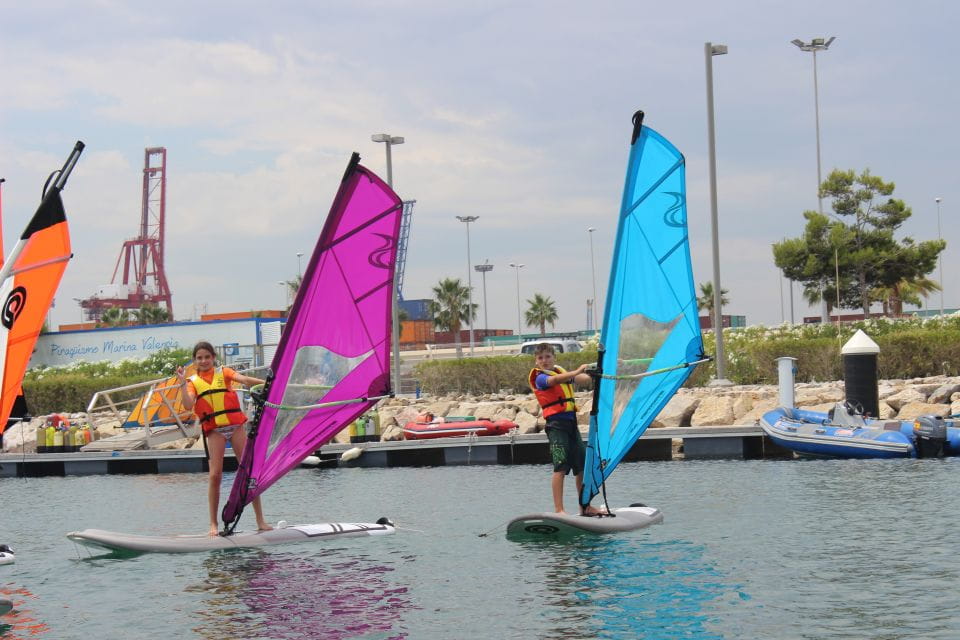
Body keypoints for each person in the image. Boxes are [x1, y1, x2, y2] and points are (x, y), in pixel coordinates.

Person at [177, 341, 272, 536]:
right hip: (215, 431)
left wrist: (268, 383)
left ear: (213, 357)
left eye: (207, 357)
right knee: (215, 475)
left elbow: (244, 379)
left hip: (235, 426)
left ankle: (260, 520)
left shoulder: (224, 372)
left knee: (249, 472)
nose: (203, 361)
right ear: (195, 361)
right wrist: (180, 383)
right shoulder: (192, 382)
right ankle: (213, 524)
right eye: (199, 358)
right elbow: (187, 405)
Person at [528, 342, 606, 516]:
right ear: (536, 361)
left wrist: (598, 371)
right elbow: (554, 381)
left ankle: (585, 507)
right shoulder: (541, 378)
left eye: (548, 356)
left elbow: (583, 379)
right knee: (560, 467)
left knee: (581, 467)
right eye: (540, 358)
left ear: (554, 358)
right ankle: (559, 510)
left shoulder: (560, 372)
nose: (544, 360)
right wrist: (578, 370)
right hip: (556, 427)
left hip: (571, 425)